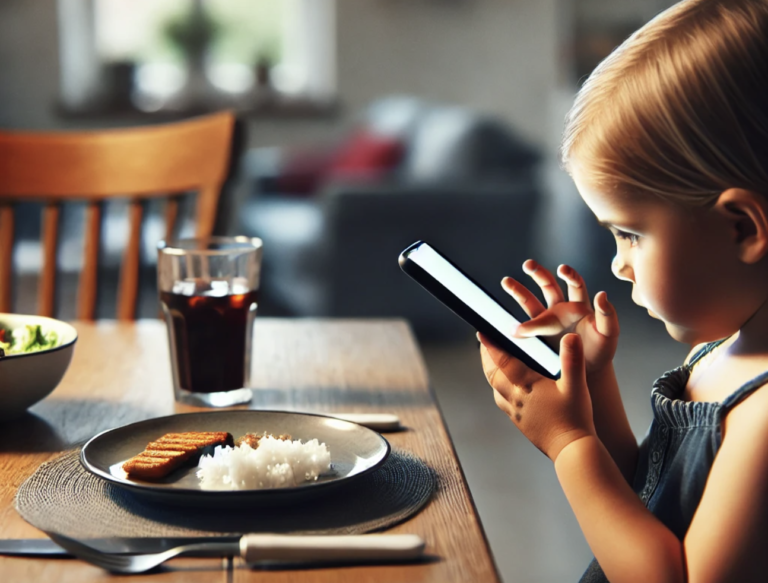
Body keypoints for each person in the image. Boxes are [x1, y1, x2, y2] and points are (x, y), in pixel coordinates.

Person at [478, 1, 768, 581]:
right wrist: (592, 388)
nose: (619, 264)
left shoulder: (763, 416)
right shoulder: (716, 353)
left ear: (742, 228)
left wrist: (569, 443)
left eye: (631, 233)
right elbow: (649, 498)